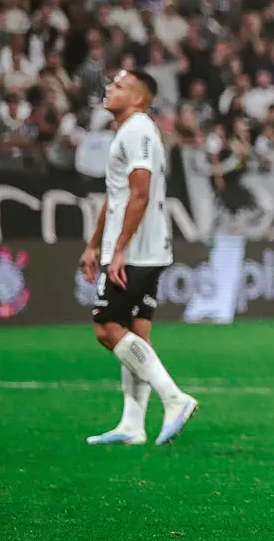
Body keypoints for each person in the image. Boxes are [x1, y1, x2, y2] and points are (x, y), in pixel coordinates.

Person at [79, 69, 198, 446]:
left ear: (139, 98)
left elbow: (140, 193)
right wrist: (94, 242)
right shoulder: (129, 131)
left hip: (138, 251)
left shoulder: (138, 130)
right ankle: (132, 425)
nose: (109, 89)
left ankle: (174, 398)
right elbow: (117, 195)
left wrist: (118, 251)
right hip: (140, 248)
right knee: (136, 335)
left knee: (106, 328)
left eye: (119, 86)